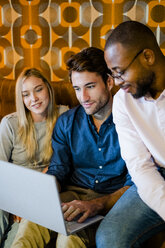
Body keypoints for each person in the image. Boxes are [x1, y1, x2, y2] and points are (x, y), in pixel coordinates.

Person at [11, 47, 133, 248]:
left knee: (68, 239)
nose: (83, 96)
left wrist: (97, 204)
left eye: (90, 86)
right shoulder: (66, 122)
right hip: (72, 194)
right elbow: (59, 169)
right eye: (77, 89)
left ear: (109, 82)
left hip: (111, 201)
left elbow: (135, 184)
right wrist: (37, 195)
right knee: (29, 225)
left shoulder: (132, 123)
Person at [96, 21, 165, 247]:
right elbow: (139, 166)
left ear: (147, 56)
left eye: (121, 72)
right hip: (154, 176)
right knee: (109, 239)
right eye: (113, 74)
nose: (117, 83)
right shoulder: (123, 102)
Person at [0, 68, 68, 247]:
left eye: (38, 89)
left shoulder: (65, 116)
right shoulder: (10, 123)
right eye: (26, 94)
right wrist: (16, 201)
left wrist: (29, 201)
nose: (34, 99)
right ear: (21, 99)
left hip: (45, 193)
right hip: (12, 192)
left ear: (48, 88)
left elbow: (64, 163)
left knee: (16, 240)